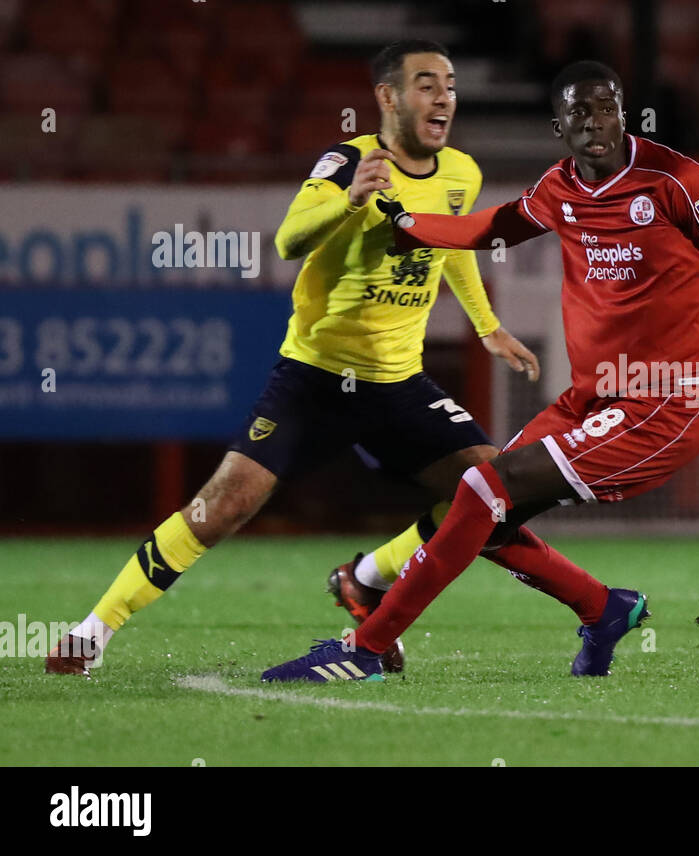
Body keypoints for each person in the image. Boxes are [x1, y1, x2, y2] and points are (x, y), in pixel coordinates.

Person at [44, 39, 605, 677]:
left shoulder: (462, 173)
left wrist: (487, 327)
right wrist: (350, 201)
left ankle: (367, 580)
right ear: (388, 98)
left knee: (492, 489)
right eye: (426, 83)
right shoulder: (349, 160)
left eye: (449, 83)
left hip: (399, 383)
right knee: (223, 505)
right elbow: (288, 239)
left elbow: (452, 246)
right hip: (315, 377)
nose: (443, 95)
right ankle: (91, 634)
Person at [262, 60, 699, 682]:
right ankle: (603, 608)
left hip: (665, 405)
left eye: (606, 106)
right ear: (557, 125)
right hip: (593, 397)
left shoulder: (678, 181)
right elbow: (496, 225)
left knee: (483, 490)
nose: (595, 122)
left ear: (624, 111)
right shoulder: (560, 187)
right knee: (483, 513)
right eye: (579, 111)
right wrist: (409, 225)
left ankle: (365, 649)